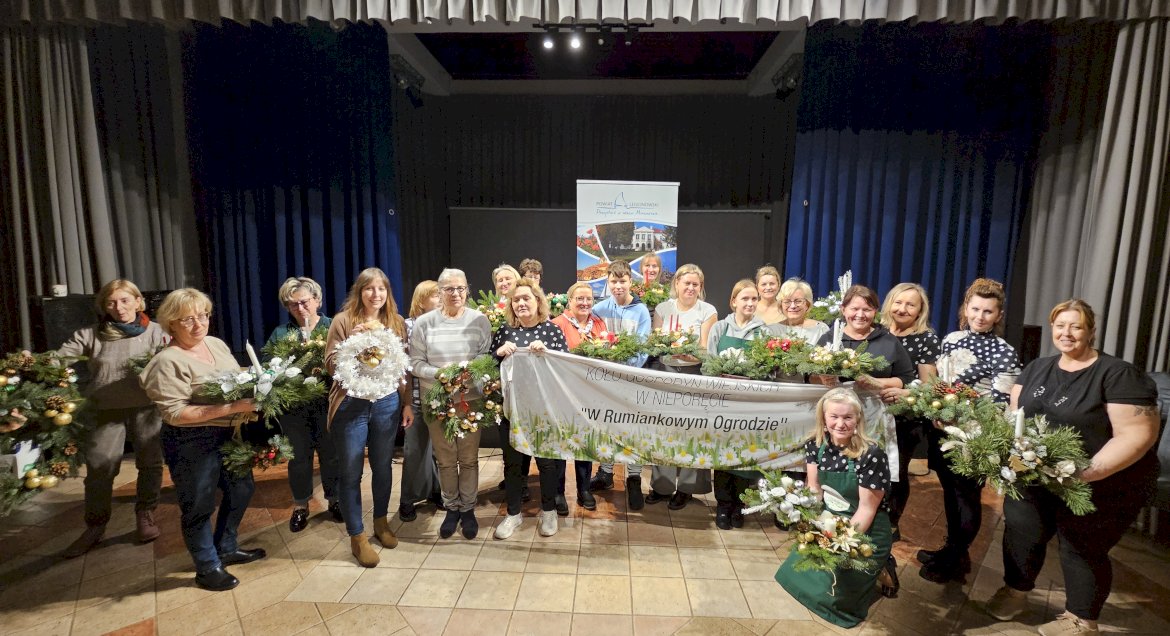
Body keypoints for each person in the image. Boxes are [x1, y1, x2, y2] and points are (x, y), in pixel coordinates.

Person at [984, 300, 1159, 636]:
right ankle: (1015, 591)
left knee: (1081, 546)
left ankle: (1081, 619)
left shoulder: (1118, 374)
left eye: (1076, 326)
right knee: (1021, 531)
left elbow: (1137, 435)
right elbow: (1015, 416)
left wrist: (1083, 474)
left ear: (1090, 331)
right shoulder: (1036, 368)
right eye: (1060, 325)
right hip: (1036, 474)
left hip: (1100, 482)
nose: (1066, 333)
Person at [141, 289, 263, 592]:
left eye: (203, 315)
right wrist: (234, 407)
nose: (199, 324)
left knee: (242, 489)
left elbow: (234, 380)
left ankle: (226, 547)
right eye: (188, 319)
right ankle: (207, 567)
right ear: (171, 323)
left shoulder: (215, 344)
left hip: (229, 434)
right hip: (191, 440)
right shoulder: (167, 362)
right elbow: (176, 413)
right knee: (199, 504)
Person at [916, 278, 1020, 584]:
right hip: (942, 429)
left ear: (999, 315)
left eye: (988, 311)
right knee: (950, 493)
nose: (980, 316)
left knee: (967, 497)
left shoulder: (1004, 351)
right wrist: (938, 411)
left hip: (974, 436)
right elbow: (939, 383)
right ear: (965, 308)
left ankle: (956, 558)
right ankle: (953, 550)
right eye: (975, 309)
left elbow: (1001, 404)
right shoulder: (951, 339)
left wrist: (962, 421)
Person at [59, 279, 168, 557]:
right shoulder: (90, 335)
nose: (119, 307)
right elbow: (57, 360)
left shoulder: (158, 332)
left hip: (147, 408)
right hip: (104, 410)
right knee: (100, 467)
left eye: (125, 300)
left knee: (150, 463)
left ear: (138, 302)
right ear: (104, 306)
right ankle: (95, 526)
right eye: (112, 302)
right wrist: (34, 362)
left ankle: (145, 514)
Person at [775, 388, 896, 628]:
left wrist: (839, 542)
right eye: (834, 417)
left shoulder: (871, 454)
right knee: (792, 576)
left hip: (864, 528)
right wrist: (809, 521)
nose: (841, 424)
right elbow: (814, 489)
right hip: (829, 519)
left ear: (858, 419)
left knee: (835, 598)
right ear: (824, 418)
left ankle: (885, 567)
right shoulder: (815, 445)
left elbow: (866, 509)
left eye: (848, 417)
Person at [324, 267, 411, 567]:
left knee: (383, 467)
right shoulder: (343, 321)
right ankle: (357, 536)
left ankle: (381, 522)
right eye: (369, 289)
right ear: (359, 292)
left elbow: (403, 367)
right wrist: (352, 344)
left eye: (381, 289)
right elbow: (331, 364)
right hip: (351, 405)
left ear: (388, 293)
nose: (376, 294)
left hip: (386, 403)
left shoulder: (396, 322)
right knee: (351, 470)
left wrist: (407, 403)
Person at [411, 268, 493, 539]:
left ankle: (467, 509)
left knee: (468, 459)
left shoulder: (479, 320)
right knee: (445, 460)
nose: (455, 293)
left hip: (469, 402)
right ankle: (451, 508)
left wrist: (470, 372)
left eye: (460, 288)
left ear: (467, 290)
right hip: (437, 402)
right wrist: (440, 374)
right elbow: (415, 363)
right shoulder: (424, 323)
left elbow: (485, 358)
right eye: (449, 289)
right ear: (439, 292)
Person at [492, 279, 569, 538]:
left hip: (544, 412)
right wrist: (499, 353)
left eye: (526, 298)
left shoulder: (552, 330)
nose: (521, 303)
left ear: (538, 301)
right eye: (516, 300)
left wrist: (547, 353)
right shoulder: (504, 331)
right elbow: (490, 367)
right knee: (513, 465)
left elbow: (564, 369)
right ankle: (513, 514)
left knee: (547, 464)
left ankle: (549, 512)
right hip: (512, 411)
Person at [263, 277, 340, 533]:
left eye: (304, 302)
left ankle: (335, 499)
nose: (300, 308)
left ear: (317, 300)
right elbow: (268, 366)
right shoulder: (281, 333)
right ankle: (300, 505)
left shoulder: (332, 326)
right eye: (293, 304)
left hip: (327, 402)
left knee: (331, 454)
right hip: (294, 407)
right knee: (298, 458)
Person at [650, 263, 718, 509]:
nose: (690, 287)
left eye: (695, 284)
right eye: (686, 283)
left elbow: (704, 347)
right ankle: (662, 486)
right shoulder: (663, 308)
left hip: (695, 374)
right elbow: (656, 342)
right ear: (676, 284)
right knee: (664, 430)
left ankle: (688, 488)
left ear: (701, 287)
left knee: (693, 431)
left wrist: (691, 355)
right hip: (666, 373)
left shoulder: (708, 310)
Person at [876, 282, 940, 540]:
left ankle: (891, 523)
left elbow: (930, 386)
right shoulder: (877, 331)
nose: (902, 309)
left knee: (895, 472)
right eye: (898, 302)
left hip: (904, 418)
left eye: (910, 305)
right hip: (870, 414)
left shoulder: (926, 339)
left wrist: (905, 393)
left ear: (920, 310)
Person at [587, 261, 652, 509]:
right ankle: (605, 473)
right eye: (613, 281)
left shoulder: (641, 311)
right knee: (607, 425)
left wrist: (623, 368)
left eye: (622, 281)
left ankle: (633, 477)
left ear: (630, 282)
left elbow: (643, 348)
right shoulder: (600, 308)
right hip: (607, 381)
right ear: (608, 282)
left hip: (632, 379)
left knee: (634, 428)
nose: (618, 286)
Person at [707, 279, 768, 529]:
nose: (750, 303)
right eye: (745, 298)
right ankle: (723, 505)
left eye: (754, 299)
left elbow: (767, 368)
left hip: (749, 405)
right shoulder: (720, 327)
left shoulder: (763, 332)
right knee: (723, 453)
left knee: (745, 454)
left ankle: (739, 506)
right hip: (724, 403)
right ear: (733, 301)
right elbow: (709, 363)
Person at [550, 281, 604, 512]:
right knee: (560, 442)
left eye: (588, 299)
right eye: (579, 298)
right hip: (562, 394)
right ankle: (558, 492)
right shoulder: (557, 324)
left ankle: (584, 489)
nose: (584, 303)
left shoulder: (599, 323)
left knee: (586, 441)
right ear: (569, 301)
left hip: (589, 395)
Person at [399, 280, 444, 522]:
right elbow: (404, 367)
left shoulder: (445, 325)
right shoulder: (408, 326)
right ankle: (407, 499)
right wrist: (406, 401)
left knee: (439, 450)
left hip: (440, 397)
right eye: (435, 295)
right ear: (421, 300)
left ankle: (437, 491)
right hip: (416, 398)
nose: (440, 298)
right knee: (415, 450)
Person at [766, 277, 830, 343]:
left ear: (807, 304)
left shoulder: (821, 329)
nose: (793, 306)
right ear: (781, 305)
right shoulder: (771, 331)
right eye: (787, 301)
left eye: (798, 301)